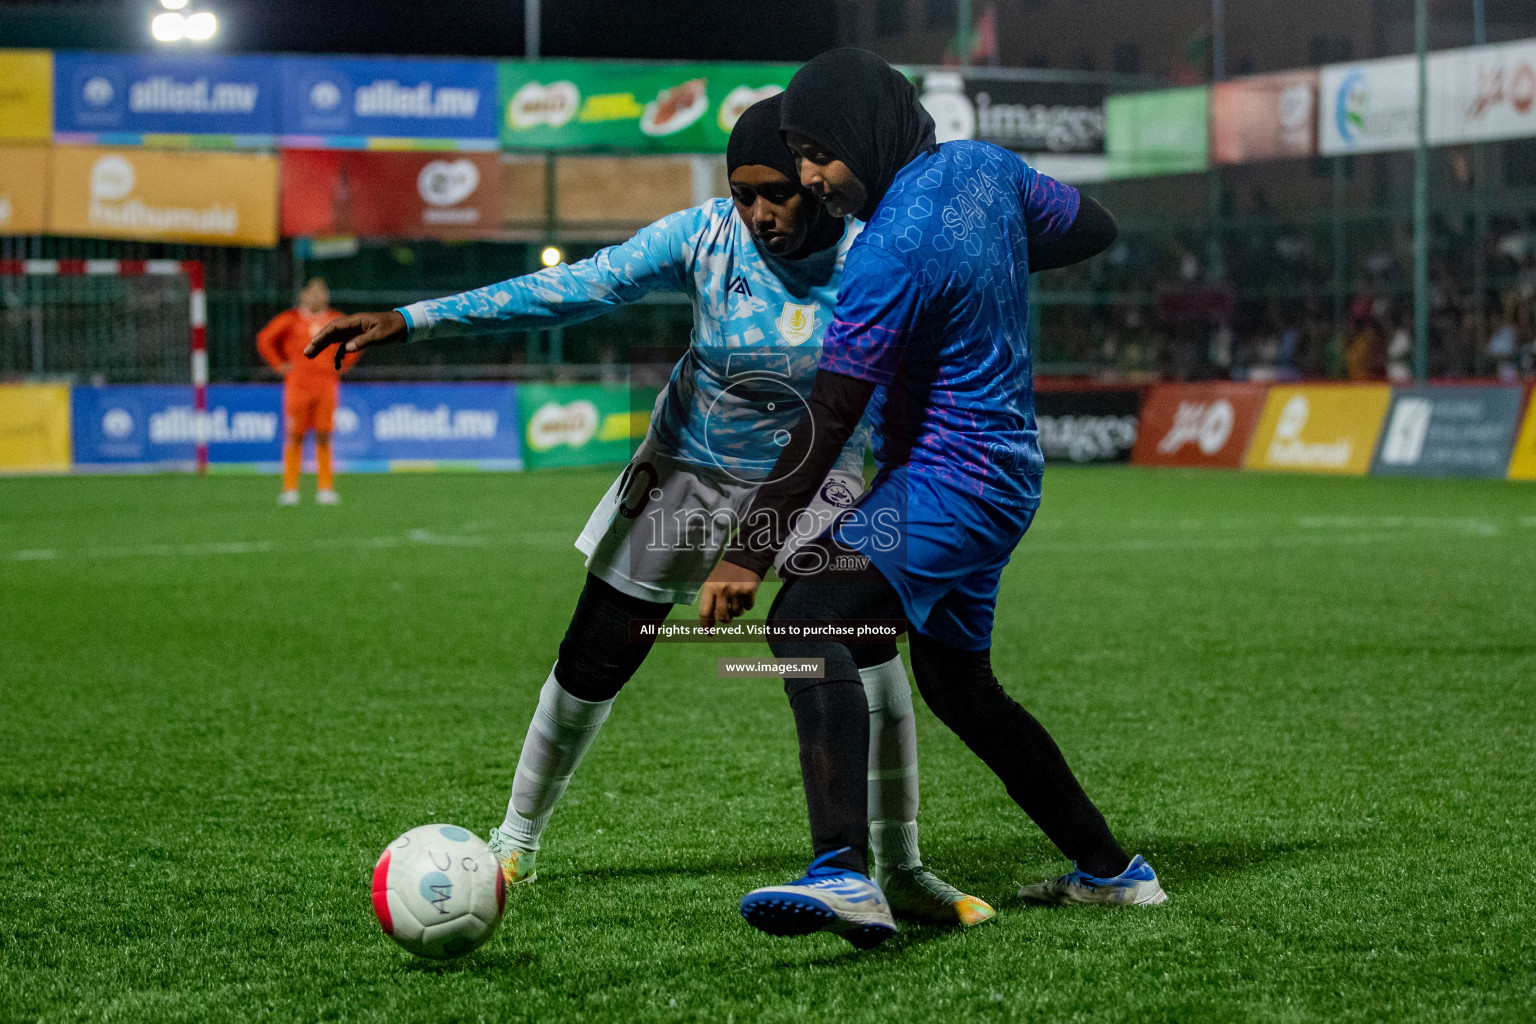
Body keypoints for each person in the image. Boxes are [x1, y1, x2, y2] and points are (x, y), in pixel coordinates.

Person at [305, 96, 994, 929]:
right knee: (594, 659)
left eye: (777, 192)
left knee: (868, 666)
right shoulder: (705, 236)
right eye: (743, 194)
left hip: (820, 482)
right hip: (687, 479)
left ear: (818, 182)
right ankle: (516, 841)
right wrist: (414, 320)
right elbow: (574, 287)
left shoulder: (874, 253)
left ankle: (901, 869)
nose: (759, 213)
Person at [698, 49, 1166, 950]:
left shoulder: (889, 253)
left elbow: (829, 418)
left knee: (805, 621)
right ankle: (1113, 873)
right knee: (960, 685)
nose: (809, 176)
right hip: (1007, 473)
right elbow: (1094, 225)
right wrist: (988, 261)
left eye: (820, 151)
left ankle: (841, 873)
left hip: (951, 479)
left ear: (868, 133)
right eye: (799, 154)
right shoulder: (987, 171)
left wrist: (747, 552)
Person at [256, 277, 355, 505]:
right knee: (295, 436)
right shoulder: (291, 319)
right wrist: (279, 365)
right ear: (303, 295)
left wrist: (343, 364)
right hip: (298, 386)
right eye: (313, 291)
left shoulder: (335, 320)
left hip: (326, 386)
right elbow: (265, 339)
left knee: (324, 436)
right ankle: (290, 489)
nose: (318, 296)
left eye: (323, 292)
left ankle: (325, 489)